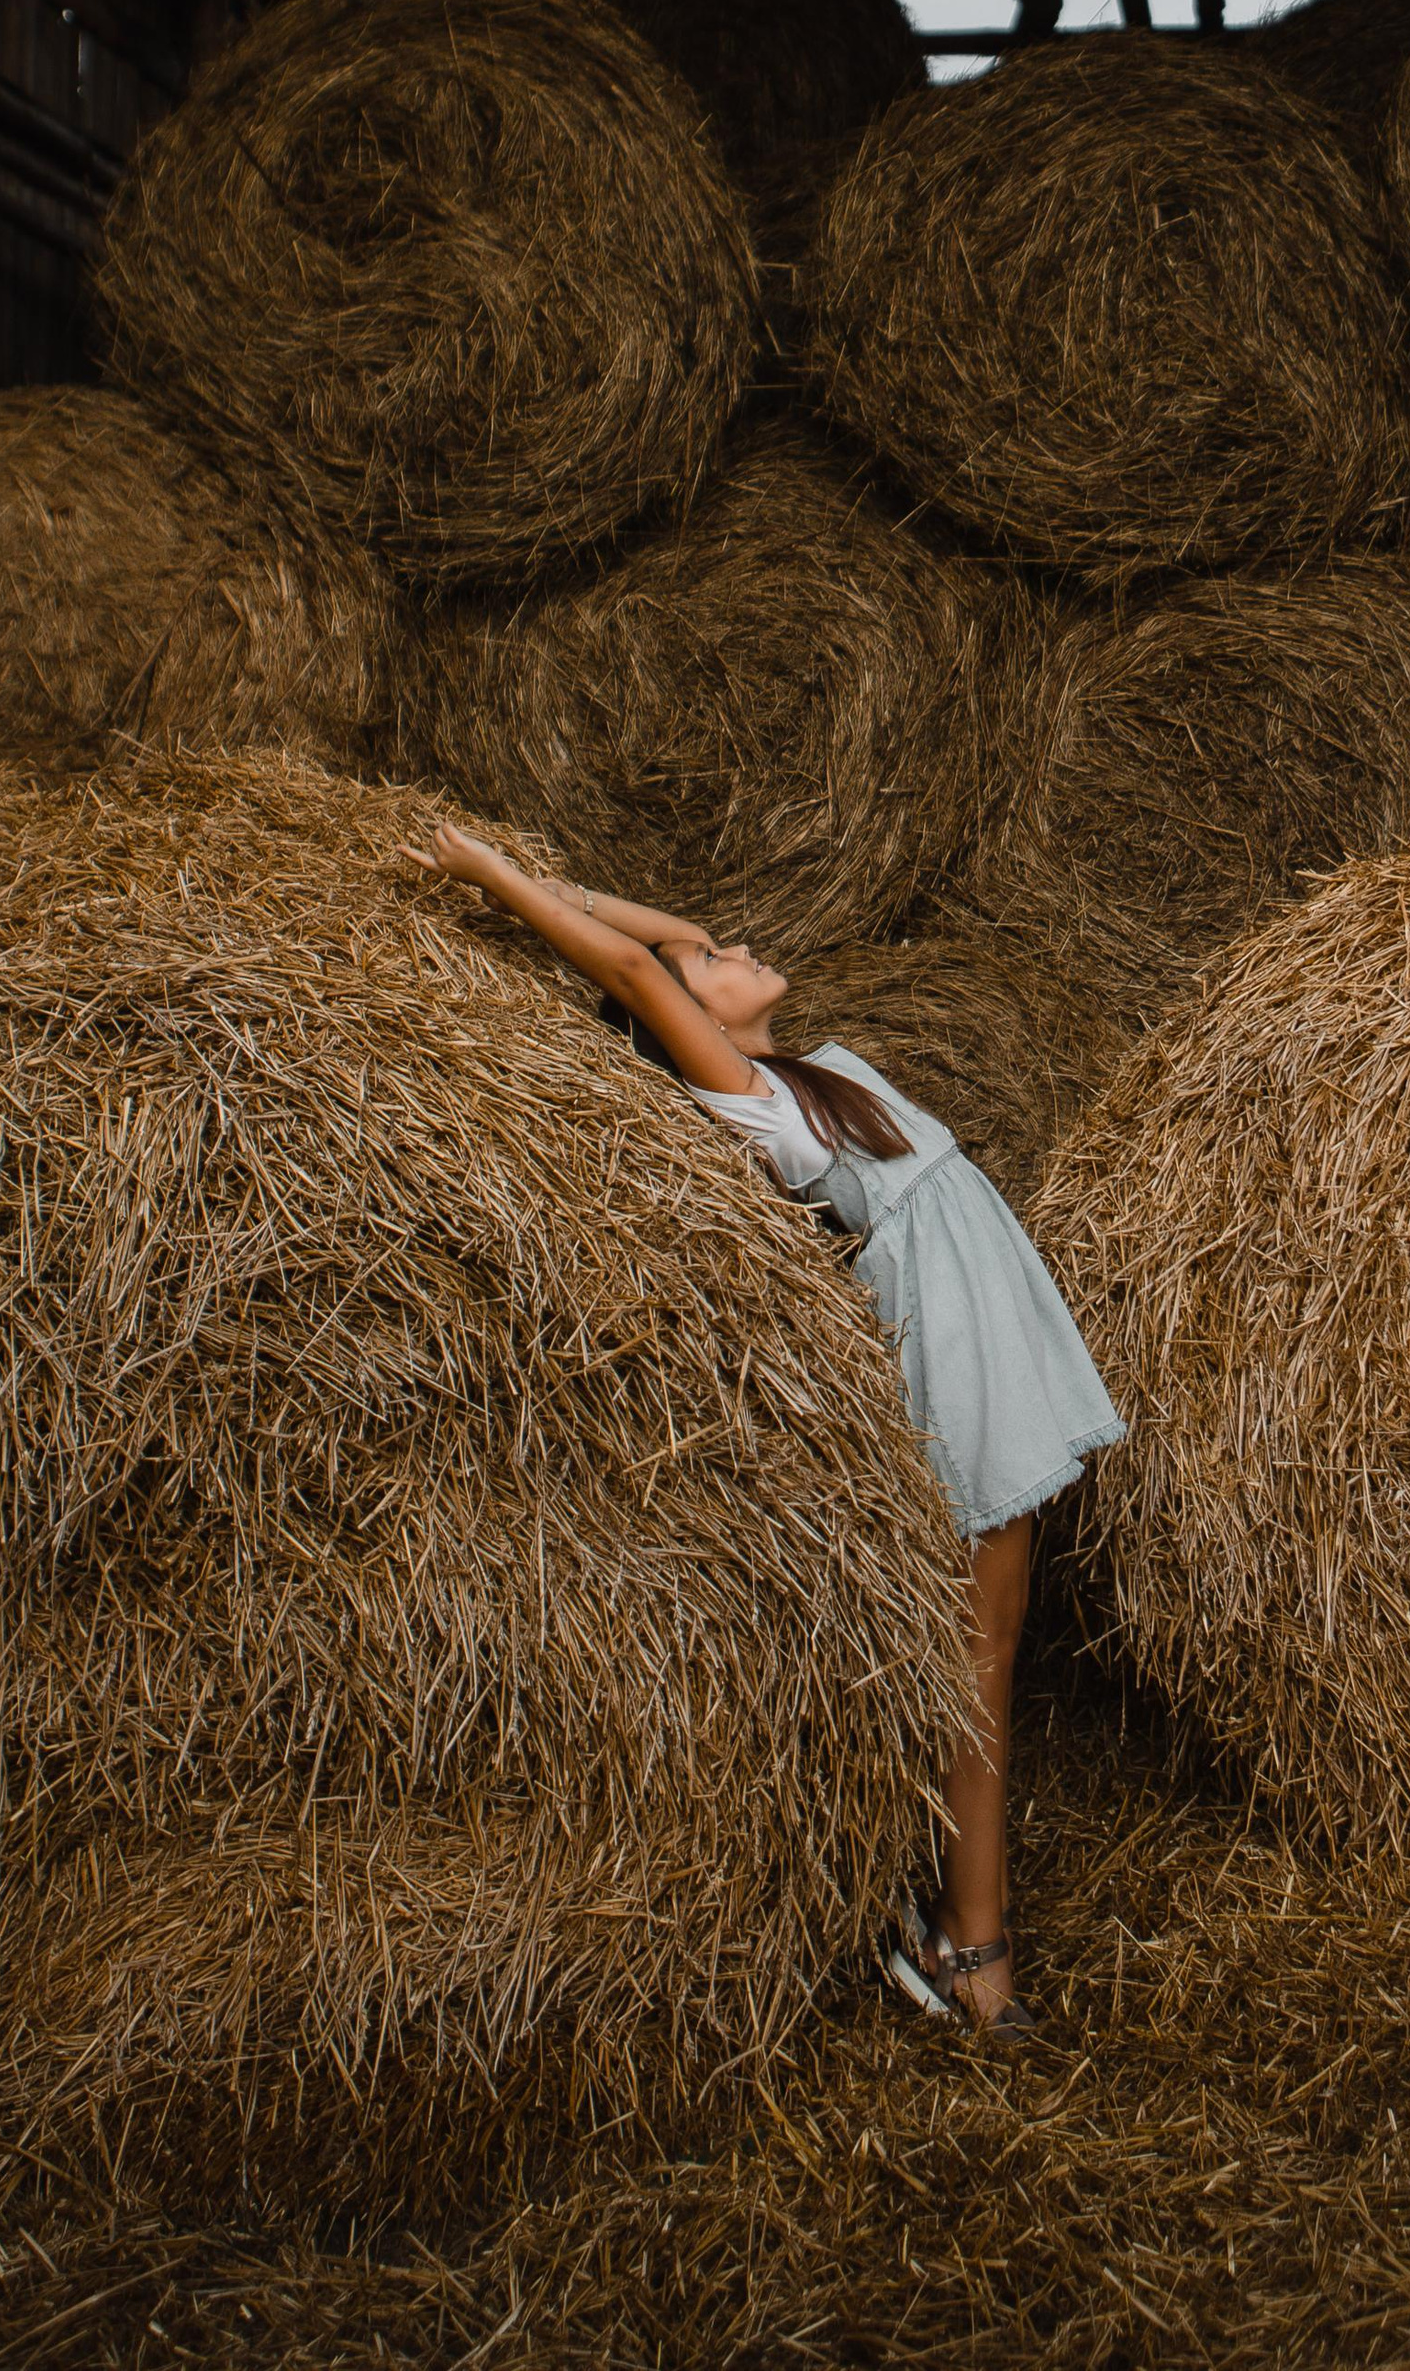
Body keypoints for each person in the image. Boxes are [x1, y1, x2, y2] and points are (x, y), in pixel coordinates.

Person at [411, 817, 1125, 2041]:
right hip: (962, 1360)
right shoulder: (749, 1106)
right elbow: (639, 973)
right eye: (710, 966)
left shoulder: (796, 1075)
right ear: (686, 1025)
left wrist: (534, 875)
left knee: (984, 1657)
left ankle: (965, 1935)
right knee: (981, 1667)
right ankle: (976, 1954)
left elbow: (662, 943)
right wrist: (490, 878)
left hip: (987, 1329)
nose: (723, 940)